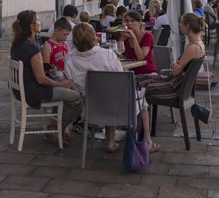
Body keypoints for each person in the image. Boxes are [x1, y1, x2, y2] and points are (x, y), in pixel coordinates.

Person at [64, 23, 160, 153]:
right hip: (120, 106)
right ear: (94, 36)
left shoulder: (69, 59)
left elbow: (74, 85)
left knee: (107, 94)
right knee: (141, 100)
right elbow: (120, 80)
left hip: (93, 106)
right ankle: (148, 141)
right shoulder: (107, 54)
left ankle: (110, 141)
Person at [10, 10, 83, 144]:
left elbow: (32, 69)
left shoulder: (17, 44)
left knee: (64, 92)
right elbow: (41, 79)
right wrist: (61, 84)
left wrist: (50, 71)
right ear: (32, 26)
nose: (40, 22)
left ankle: (55, 126)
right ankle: (54, 128)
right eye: (37, 20)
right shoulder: (32, 48)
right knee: (76, 98)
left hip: (20, 91)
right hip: (34, 92)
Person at [136, 13, 205, 101]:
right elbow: (178, 68)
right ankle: (141, 110)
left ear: (187, 26)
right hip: (176, 84)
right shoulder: (198, 44)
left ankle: (136, 112)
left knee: (140, 85)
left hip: (174, 88)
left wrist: (173, 63)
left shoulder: (193, 47)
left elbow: (175, 71)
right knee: (140, 78)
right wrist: (175, 64)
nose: (180, 26)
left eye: (181, 23)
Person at [118, 11, 157, 75]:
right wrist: (121, 41)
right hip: (130, 73)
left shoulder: (147, 36)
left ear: (139, 23)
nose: (129, 23)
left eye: (132, 21)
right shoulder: (126, 37)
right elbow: (119, 56)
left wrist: (133, 38)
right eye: (127, 21)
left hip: (147, 72)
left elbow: (141, 57)